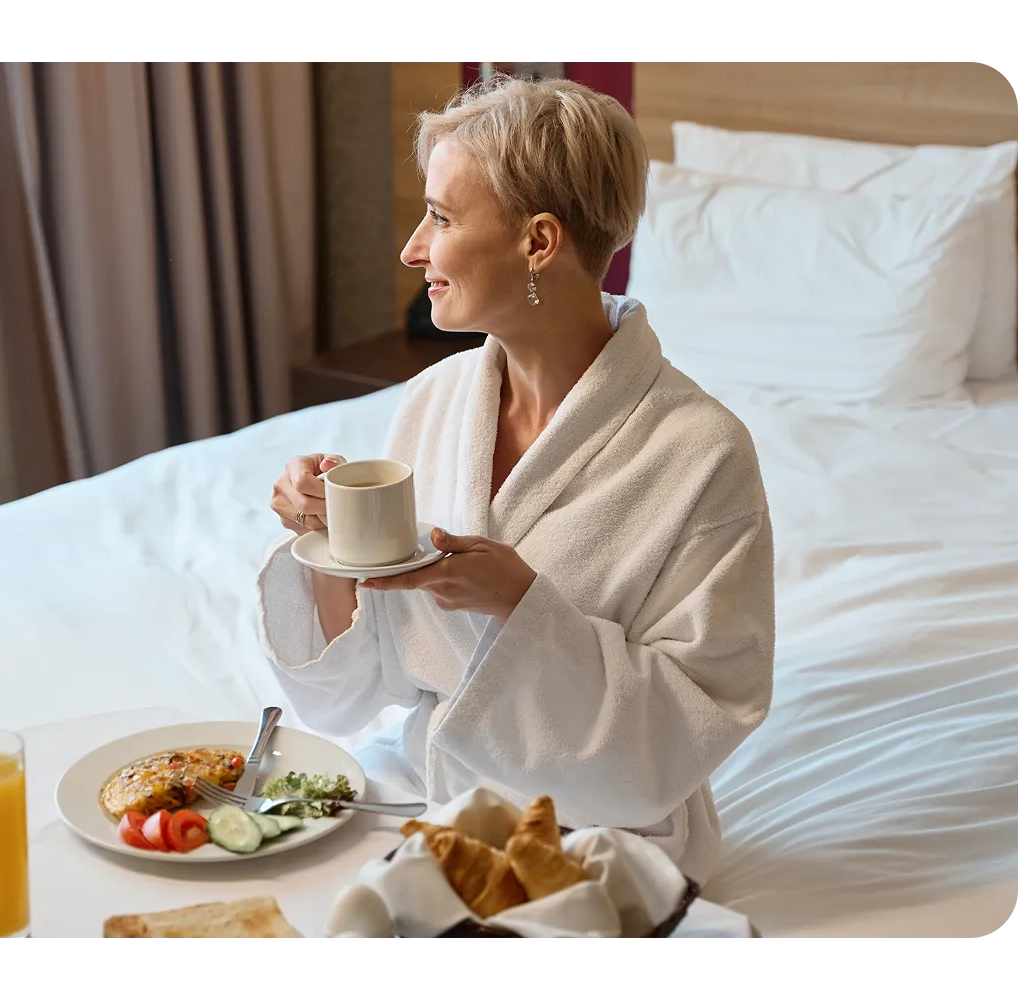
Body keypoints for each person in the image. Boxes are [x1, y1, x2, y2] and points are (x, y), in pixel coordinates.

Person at [257, 74, 774, 886]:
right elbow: (350, 695)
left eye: (441, 217)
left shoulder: (702, 453)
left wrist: (523, 606)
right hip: (422, 795)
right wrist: (325, 542)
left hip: (598, 839)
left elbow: (693, 723)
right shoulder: (434, 399)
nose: (412, 250)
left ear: (538, 242)